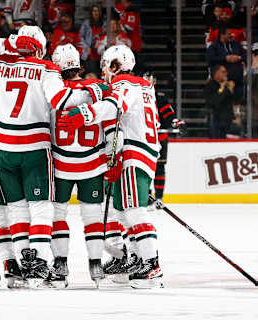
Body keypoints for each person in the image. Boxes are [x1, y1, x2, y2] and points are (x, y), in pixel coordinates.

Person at [0, 26, 105, 287]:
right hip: (31, 146)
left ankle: (15, 266)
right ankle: (35, 263)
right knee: (38, 208)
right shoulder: (45, 68)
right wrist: (93, 92)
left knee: (10, 210)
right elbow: (62, 99)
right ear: (39, 48)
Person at [58, 45, 163, 289]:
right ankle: (136, 259)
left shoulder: (125, 84)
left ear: (115, 66)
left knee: (134, 211)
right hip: (142, 151)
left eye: (106, 65)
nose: (104, 70)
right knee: (123, 211)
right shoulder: (144, 86)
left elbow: (114, 107)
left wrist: (82, 114)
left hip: (134, 152)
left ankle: (152, 266)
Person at [49, 44, 119, 287]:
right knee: (92, 214)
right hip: (92, 163)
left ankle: (60, 266)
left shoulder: (53, 90)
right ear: (79, 65)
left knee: (57, 214)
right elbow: (112, 123)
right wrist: (114, 156)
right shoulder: (98, 88)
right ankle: (96, 265)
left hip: (60, 164)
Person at [143, 71, 187, 208]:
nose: (148, 82)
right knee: (143, 168)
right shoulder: (135, 98)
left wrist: (175, 122)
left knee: (159, 167)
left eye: (150, 79)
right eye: (145, 79)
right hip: (142, 138)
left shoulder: (160, 98)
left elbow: (168, 115)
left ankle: (159, 198)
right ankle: (145, 196)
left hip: (159, 138)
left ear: (154, 82)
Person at [206, 26, 245, 102]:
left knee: (238, 103)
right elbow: (210, 59)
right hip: (221, 84)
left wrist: (238, 58)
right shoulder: (214, 47)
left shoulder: (236, 45)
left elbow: (247, 55)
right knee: (222, 100)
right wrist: (225, 58)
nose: (231, 35)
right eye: (228, 34)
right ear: (222, 35)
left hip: (238, 81)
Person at [204, 65, 235, 138]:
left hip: (227, 120)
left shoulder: (227, 86)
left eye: (226, 72)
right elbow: (215, 101)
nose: (226, 74)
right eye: (223, 72)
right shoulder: (210, 86)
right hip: (216, 120)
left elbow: (233, 101)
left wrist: (231, 90)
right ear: (216, 73)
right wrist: (222, 88)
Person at [79, 5, 105, 76]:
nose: (96, 13)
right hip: (90, 53)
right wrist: (86, 46)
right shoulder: (86, 23)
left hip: (101, 53)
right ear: (91, 12)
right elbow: (80, 36)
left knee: (101, 74)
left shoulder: (104, 23)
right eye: (94, 11)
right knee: (92, 74)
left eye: (98, 11)